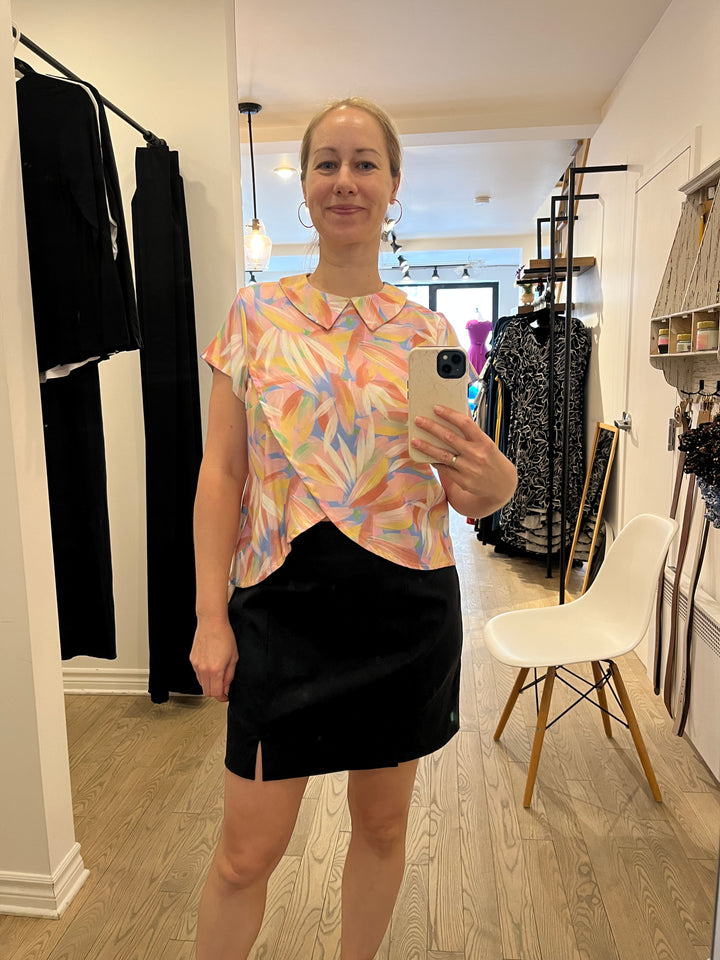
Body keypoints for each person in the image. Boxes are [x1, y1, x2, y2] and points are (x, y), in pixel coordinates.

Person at [190, 96, 517, 960]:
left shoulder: (427, 333)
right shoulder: (253, 317)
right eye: (327, 163)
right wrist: (210, 616)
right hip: (279, 610)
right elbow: (221, 474)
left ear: (392, 185)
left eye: (365, 163)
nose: (346, 180)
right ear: (304, 185)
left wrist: (498, 483)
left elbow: (463, 491)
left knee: (382, 828)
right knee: (245, 854)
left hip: (403, 612)